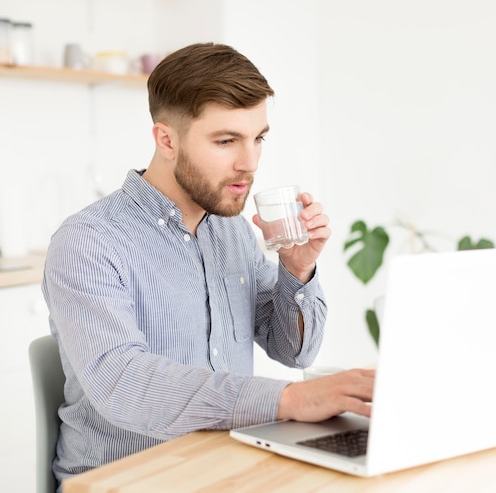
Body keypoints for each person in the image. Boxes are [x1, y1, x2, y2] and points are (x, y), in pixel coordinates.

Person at [42, 42, 375, 488]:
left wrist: (296, 270)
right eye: (226, 141)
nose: (250, 163)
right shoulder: (89, 241)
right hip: (127, 479)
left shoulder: (230, 230)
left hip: (224, 465)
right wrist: (290, 399)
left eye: (258, 138)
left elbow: (293, 351)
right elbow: (125, 384)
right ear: (166, 140)